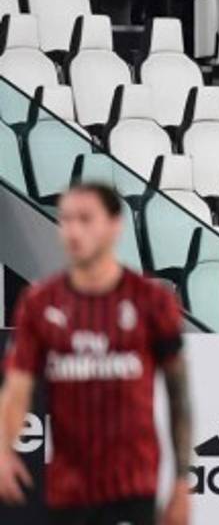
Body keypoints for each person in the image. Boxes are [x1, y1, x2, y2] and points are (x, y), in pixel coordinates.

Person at [0, 183, 191, 525]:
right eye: (67, 220)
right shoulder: (39, 302)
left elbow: (178, 395)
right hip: (68, 487)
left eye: (85, 219)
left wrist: (179, 483)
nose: (74, 230)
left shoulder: (152, 301)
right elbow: (17, 388)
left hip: (135, 483)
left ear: (115, 226)